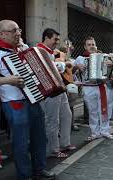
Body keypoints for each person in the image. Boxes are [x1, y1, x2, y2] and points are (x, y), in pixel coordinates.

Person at [0, 19, 55, 180]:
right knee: (21, 142)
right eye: (13, 31)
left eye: (19, 30)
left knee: (39, 137)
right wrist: (8, 80)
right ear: (2, 34)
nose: (18, 33)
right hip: (13, 102)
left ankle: (40, 169)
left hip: (33, 99)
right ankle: (24, 175)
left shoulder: (23, 49)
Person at [38, 28, 76, 159]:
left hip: (59, 88)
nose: (57, 42)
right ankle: (53, 149)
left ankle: (65, 143)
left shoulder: (51, 52)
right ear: (46, 38)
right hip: (50, 91)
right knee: (52, 120)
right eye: (55, 39)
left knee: (67, 114)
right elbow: (46, 69)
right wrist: (64, 65)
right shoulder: (39, 51)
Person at [74, 36, 113, 141]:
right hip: (88, 87)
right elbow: (73, 69)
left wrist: (112, 63)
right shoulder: (80, 58)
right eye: (89, 44)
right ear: (85, 46)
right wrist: (77, 67)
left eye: (93, 44)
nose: (91, 46)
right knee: (92, 111)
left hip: (101, 86)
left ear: (96, 45)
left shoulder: (104, 56)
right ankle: (95, 132)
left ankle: (105, 131)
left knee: (104, 110)